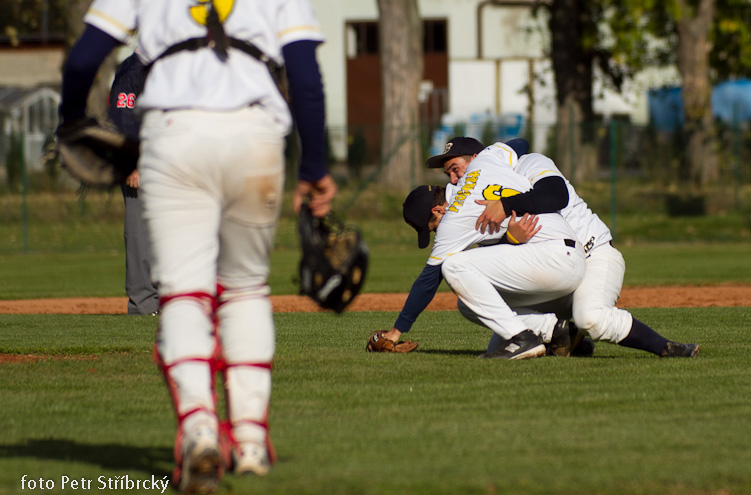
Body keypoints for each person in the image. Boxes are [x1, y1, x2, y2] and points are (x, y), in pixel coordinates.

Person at [58, 2, 336, 494]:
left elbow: (82, 61)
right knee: (247, 288)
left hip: (174, 134)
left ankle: (199, 429)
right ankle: (250, 437)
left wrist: (70, 120)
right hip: (255, 133)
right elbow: (305, 75)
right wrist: (314, 165)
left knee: (184, 291)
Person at [430, 136, 700, 359]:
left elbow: (554, 195)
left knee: (590, 319)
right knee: (471, 302)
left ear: (479, 158)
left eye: (456, 169)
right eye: (449, 174)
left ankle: (667, 348)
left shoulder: (528, 164)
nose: (454, 180)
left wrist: (506, 205)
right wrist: (509, 239)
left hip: (594, 255)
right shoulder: (479, 199)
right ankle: (565, 337)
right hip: (551, 273)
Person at [376, 141, 587, 360]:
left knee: (454, 266)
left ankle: (523, 340)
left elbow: (428, 281)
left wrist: (396, 331)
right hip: (567, 253)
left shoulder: (452, 219)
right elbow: (519, 143)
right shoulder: (484, 160)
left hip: (554, 260)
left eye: (432, 228)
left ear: (438, 210)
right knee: (468, 303)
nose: (436, 234)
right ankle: (557, 331)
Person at [108, 52, 159, 316]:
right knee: (139, 233)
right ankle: (143, 303)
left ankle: (162, 300)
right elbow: (122, 118)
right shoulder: (133, 69)